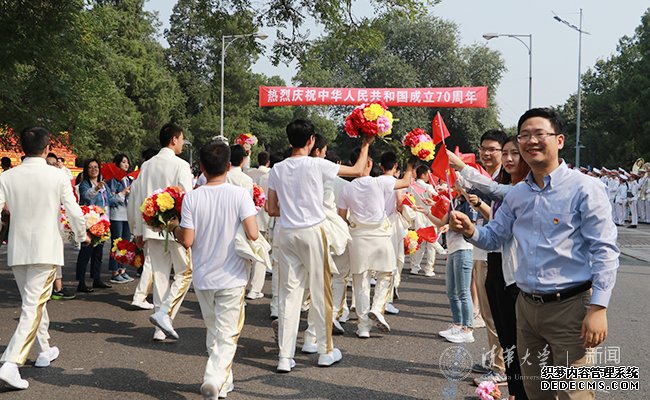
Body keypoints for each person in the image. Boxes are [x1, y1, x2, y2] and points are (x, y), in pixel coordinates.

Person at [450, 108, 620, 400]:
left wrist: (598, 308)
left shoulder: (584, 188)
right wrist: (470, 231)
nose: (531, 141)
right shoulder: (518, 195)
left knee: (573, 394)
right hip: (526, 308)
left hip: (570, 308)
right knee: (534, 390)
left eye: (540, 134)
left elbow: (604, 250)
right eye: (524, 135)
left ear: (560, 140)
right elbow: (494, 238)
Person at [266, 119, 371, 372]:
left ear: (290, 139)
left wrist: (291, 209)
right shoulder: (317, 164)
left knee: (290, 296)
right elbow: (358, 170)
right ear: (311, 140)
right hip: (312, 232)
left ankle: (284, 356)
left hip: (287, 234)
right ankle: (325, 350)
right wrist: (366, 142)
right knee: (320, 291)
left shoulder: (277, 169)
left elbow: (271, 209)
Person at [0, 127, 87, 390]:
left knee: (33, 302)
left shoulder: (8, 176)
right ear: (48, 147)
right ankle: (11, 362)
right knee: (33, 305)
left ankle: (44, 349)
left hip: (18, 249)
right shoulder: (57, 175)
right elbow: (72, 209)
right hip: (45, 249)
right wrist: (82, 235)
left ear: (22, 148)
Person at [171, 140, 259, 399]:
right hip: (232, 275)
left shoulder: (192, 197)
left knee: (215, 330)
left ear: (201, 167)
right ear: (229, 166)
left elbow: (187, 240)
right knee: (228, 333)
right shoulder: (240, 194)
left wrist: (174, 228)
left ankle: (223, 382)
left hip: (204, 275)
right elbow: (253, 234)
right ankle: (213, 376)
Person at [448, 137, 531, 398]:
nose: (508, 159)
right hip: (500, 265)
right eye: (504, 152)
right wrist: (472, 231)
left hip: (524, 278)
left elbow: (493, 192)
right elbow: (494, 230)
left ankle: (507, 374)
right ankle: (512, 384)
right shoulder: (508, 185)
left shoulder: (527, 189)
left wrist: (460, 165)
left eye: (513, 154)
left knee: (524, 343)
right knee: (508, 334)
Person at [336, 149, 412, 338]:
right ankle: (377, 307)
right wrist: (411, 163)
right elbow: (406, 182)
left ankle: (363, 327)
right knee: (386, 274)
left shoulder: (346, 188)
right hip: (380, 236)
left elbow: (341, 217)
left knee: (360, 281)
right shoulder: (380, 182)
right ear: (368, 164)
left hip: (358, 237)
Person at [131, 123, 193, 341]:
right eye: (182, 139)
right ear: (174, 139)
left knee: (159, 275)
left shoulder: (146, 166)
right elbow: (187, 198)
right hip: (175, 227)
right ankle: (164, 314)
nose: (183, 143)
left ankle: (160, 325)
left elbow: (136, 198)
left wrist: (137, 229)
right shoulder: (181, 165)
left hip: (151, 226)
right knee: (185, 272)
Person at [75, 159, 116, 292]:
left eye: (96, 167)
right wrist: (96, 188)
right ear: (86, 170)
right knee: (86, 252)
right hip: (89, 221)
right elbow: (86, 196)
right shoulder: (84, 184)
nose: (94, 169)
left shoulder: (104, 185)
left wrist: (122, 194)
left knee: (98, 252)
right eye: (91, 167)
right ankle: (81, 281)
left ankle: (96, 278)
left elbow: (109, 199)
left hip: (102, 221)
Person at [128, 148, 158, 311]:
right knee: (151, 262)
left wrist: (135, 229)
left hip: (144, 225)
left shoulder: (140, 177)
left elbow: (132, 205)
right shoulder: (149, 175)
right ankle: (140, 295)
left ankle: (145, 294)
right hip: (153, 224)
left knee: (151, 261)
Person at [44, 152, 76, 300]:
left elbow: (70, 203)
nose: (53, 167)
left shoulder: (60, 180)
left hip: (55, 226)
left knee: (56, 257)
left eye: (55, 164)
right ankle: (49, 289)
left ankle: (58, 288)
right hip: (41, 228)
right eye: (49, 164)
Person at [107, 153, 135, 283]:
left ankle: (122, 270)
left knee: (126, 243)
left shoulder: (129, 179)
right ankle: (114, 271)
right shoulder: (113, 180)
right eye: (123, 162)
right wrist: (123, 193)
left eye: (127, 162)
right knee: (116, 243)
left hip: (127, 215)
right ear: (117, 164)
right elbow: (111, 199)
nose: (126, 164)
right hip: (117, 215)